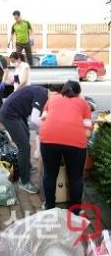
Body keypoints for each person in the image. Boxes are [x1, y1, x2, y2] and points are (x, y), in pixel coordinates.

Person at [39, 80, 92, 214]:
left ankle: (49, 206)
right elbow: (88, 132)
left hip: (48, 139)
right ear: (78, 93)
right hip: (75, 142)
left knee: (50, 174)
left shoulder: (52, 99)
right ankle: (75, 210)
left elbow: (43, 121)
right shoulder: (84, 103)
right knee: (76, 177)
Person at [0, 85, 48, 193]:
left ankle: (27, 167)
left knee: (26, 137)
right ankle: (24, 181)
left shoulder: (44, 92)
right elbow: (35, 120)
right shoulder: (42, 95)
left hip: (18, 114)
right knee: (24, 147)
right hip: (9, 115)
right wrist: (46, 128)